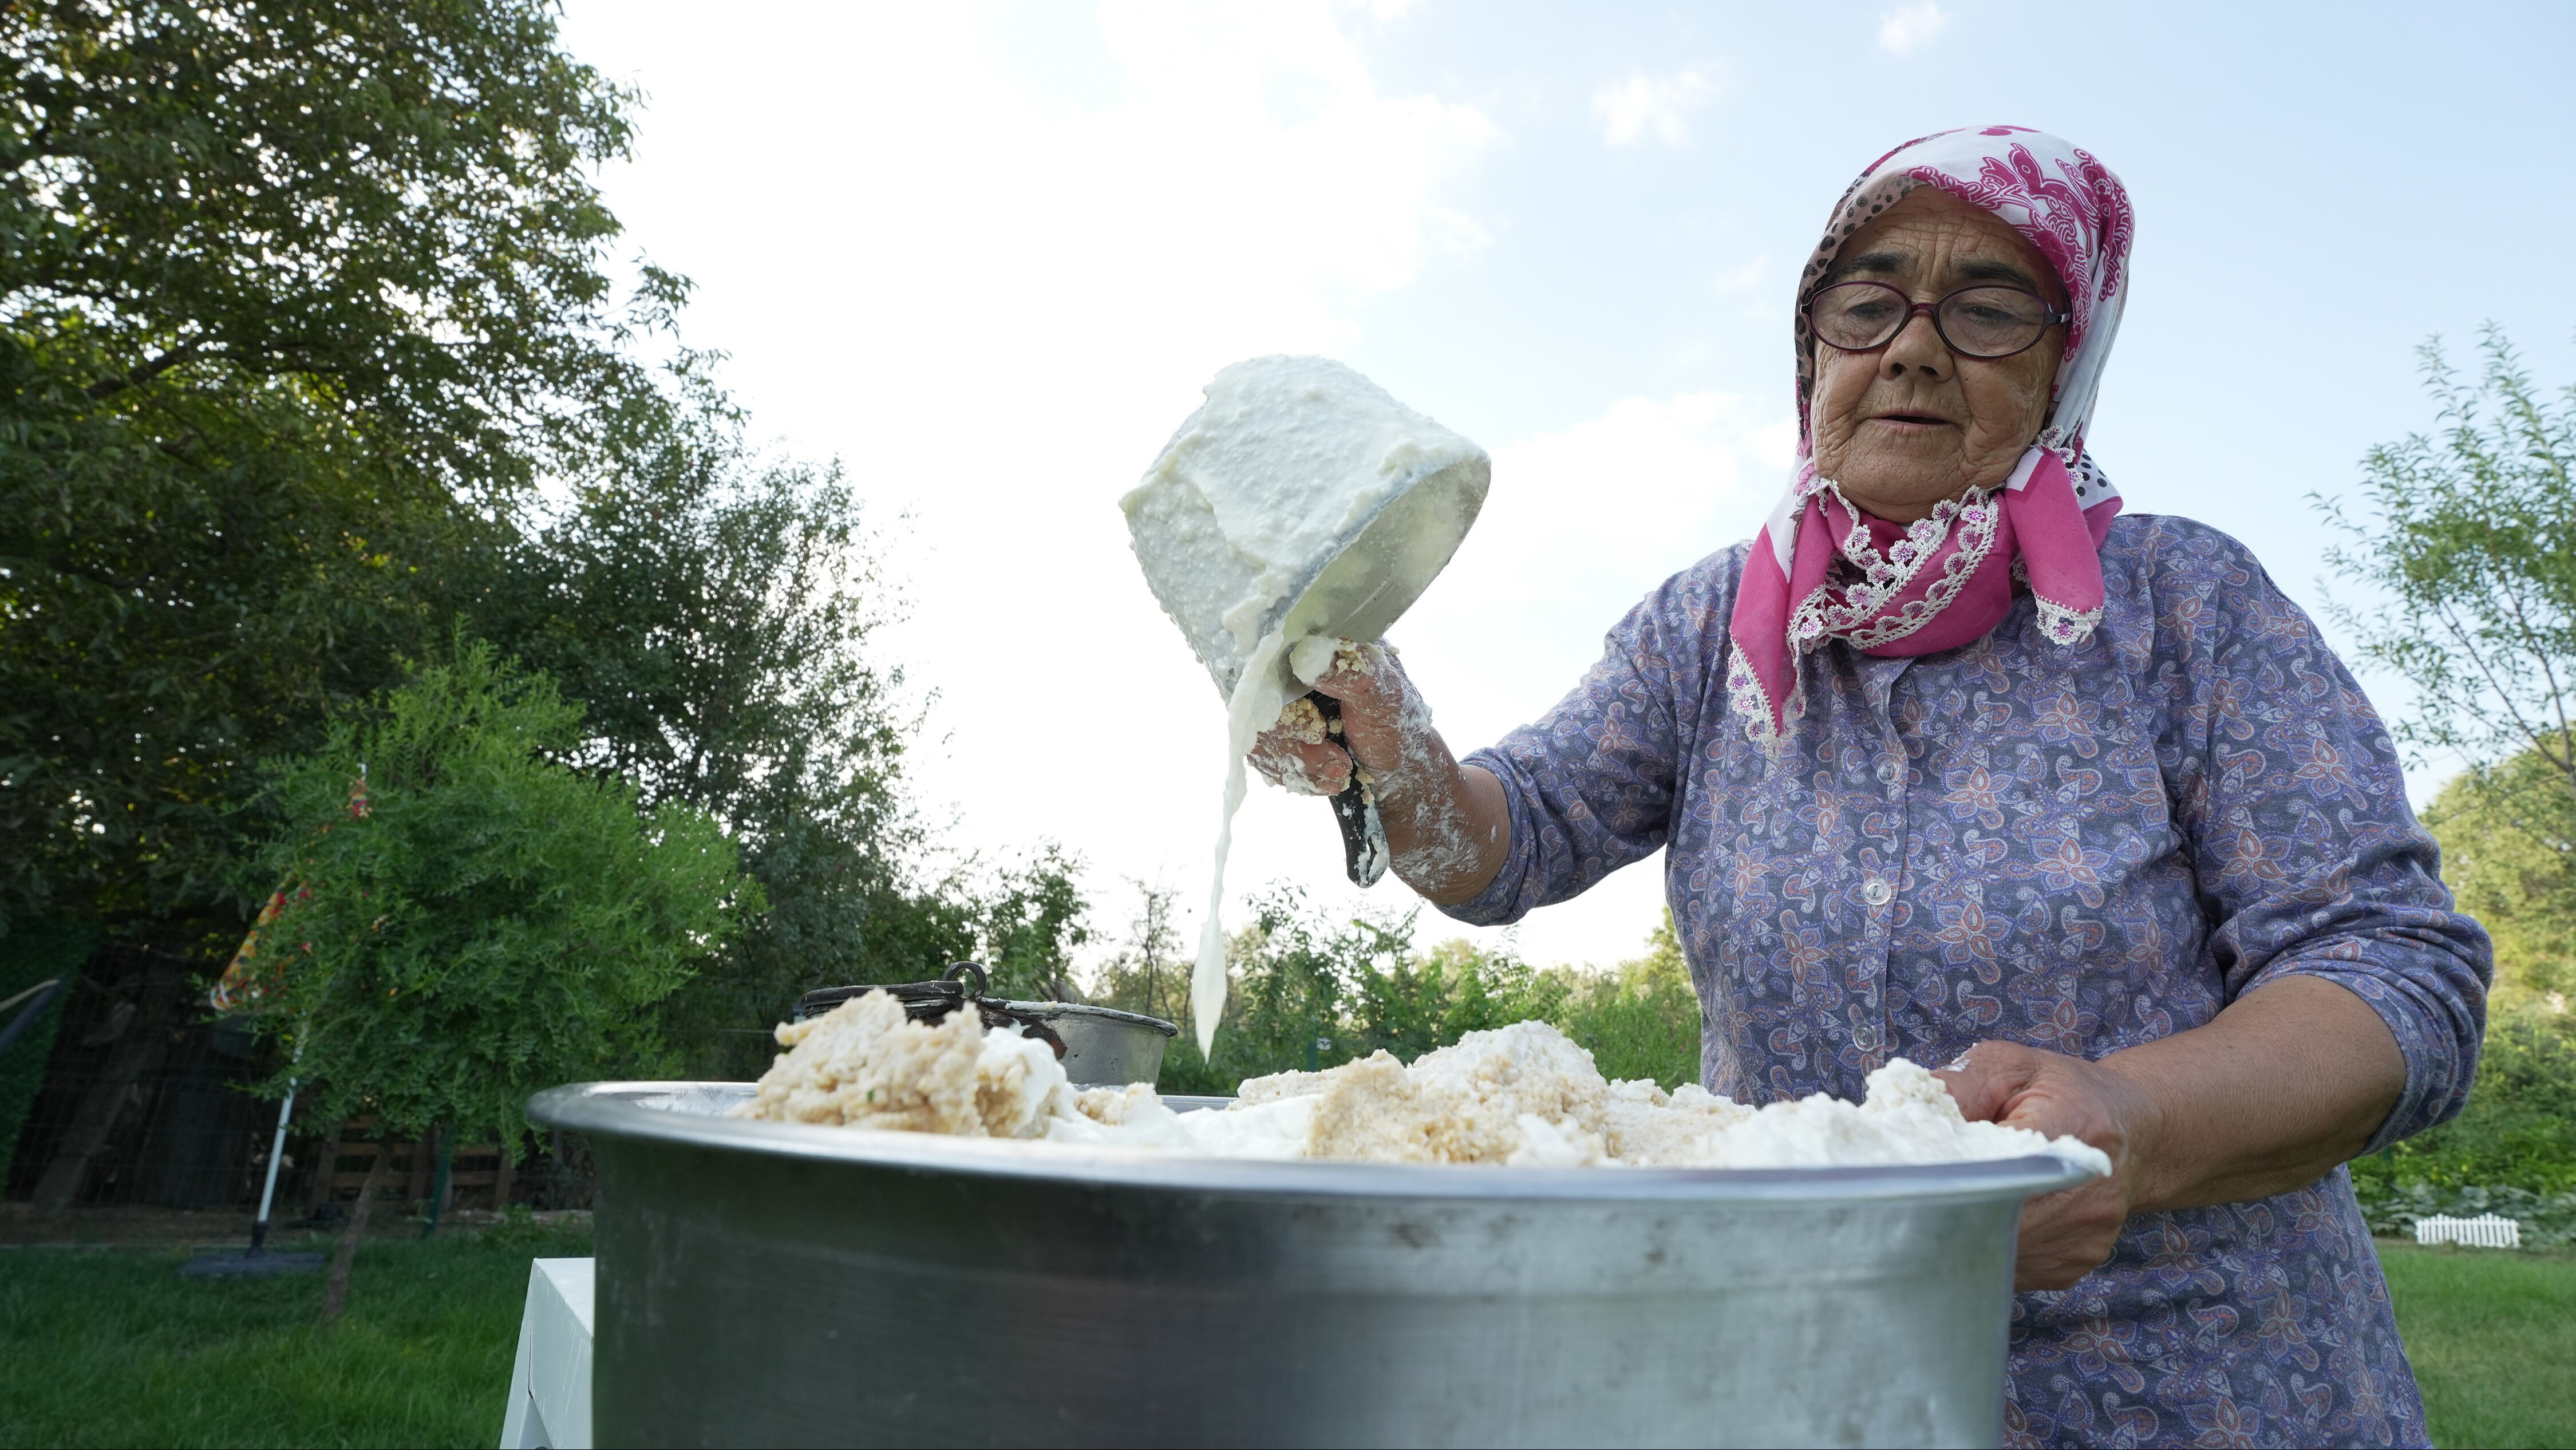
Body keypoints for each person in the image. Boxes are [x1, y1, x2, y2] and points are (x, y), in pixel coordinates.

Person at [1250, 125, 2489, 1448]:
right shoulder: (1709, 626)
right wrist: (1390, 742)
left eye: (1988, 309)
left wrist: (2132, 1121)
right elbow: (1511, 839)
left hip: (2196, 1383)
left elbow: (2389, 975)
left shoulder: (2188, 608)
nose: (1912, 348)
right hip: (1808, 1380)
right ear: (1814, 352)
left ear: (2066, 362)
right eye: (1867, 303)